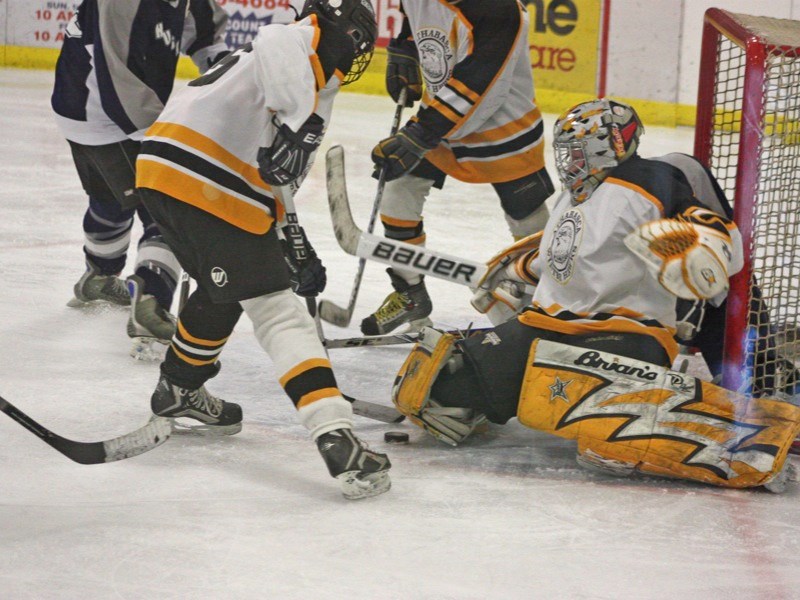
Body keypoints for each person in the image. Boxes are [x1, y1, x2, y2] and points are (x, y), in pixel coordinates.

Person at [389, 98, 800, 491]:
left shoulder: (648, 178)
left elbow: (714, 233)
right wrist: (515, 272)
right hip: (544, 331)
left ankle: (734, 434)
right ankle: (598, 408)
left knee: (611, 435)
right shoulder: (574, 195)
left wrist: (702, 247)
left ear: (612, 144)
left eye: (578, 150)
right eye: (565, 151)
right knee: (437, 388)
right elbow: (569, 257)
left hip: (621, 338)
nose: (569, 161)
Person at [135, 0, 391, 499]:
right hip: (205, 179)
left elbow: (276, 179)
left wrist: (294, 246)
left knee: (224, 290)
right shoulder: (300, 41)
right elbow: (279, 45)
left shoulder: (313, 81)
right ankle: (336, 437)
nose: (359, 47)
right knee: (279, 315)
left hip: (168, 172)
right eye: (357, 34)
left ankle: (179, 388)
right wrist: (303, 127)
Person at [361, 0, 555, 335]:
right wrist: (404, 46)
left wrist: (420, 133)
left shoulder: (499, 9)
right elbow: (414, 16)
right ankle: (410, 294)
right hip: (442, 115)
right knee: (399, 191)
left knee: (527, 217)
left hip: (503, 122)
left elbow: (479, 83)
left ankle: (549, 301)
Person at [51, 0, 230, 349]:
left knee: (112, 198)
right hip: (105, 111)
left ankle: (98, 277)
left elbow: (205, 33)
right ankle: (152, 300)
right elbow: (116, 78)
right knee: (169, 208)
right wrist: (166, 140)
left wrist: (228, 80)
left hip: (79, 107)